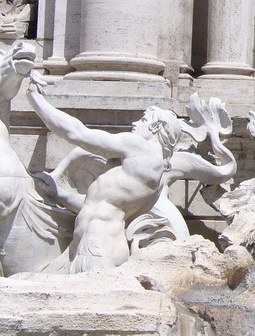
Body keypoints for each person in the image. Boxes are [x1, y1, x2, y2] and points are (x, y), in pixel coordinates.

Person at [28, 77, 182, 273]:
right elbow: (99, 206)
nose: (135, 123)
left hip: (98, 248)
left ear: (155, 127)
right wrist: (60, 195)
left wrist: (35, 98)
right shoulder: (156, 175)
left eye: (143, 120)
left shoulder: (139, 146)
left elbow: (77, 133)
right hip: (92, 246)